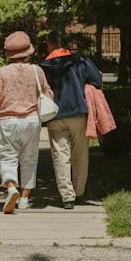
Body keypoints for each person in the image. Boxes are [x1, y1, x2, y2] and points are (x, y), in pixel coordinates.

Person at [0, 31, 53, 213]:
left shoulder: (3, 72)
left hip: (8, 120)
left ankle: (11, 188)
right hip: (32, 120)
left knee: (7, 157)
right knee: (29, 159)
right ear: (29, 52)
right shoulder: (37, 70)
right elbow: (48, 94)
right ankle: (25, 198)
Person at [39, 31, 102, 209]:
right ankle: (79, 192)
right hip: (79, 111)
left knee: (60, 155)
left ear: (50, 44)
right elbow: (97, 79)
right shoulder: (79, 61)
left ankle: (67, 196)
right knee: (80, 155)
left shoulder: (44, 66)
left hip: (55, 115)